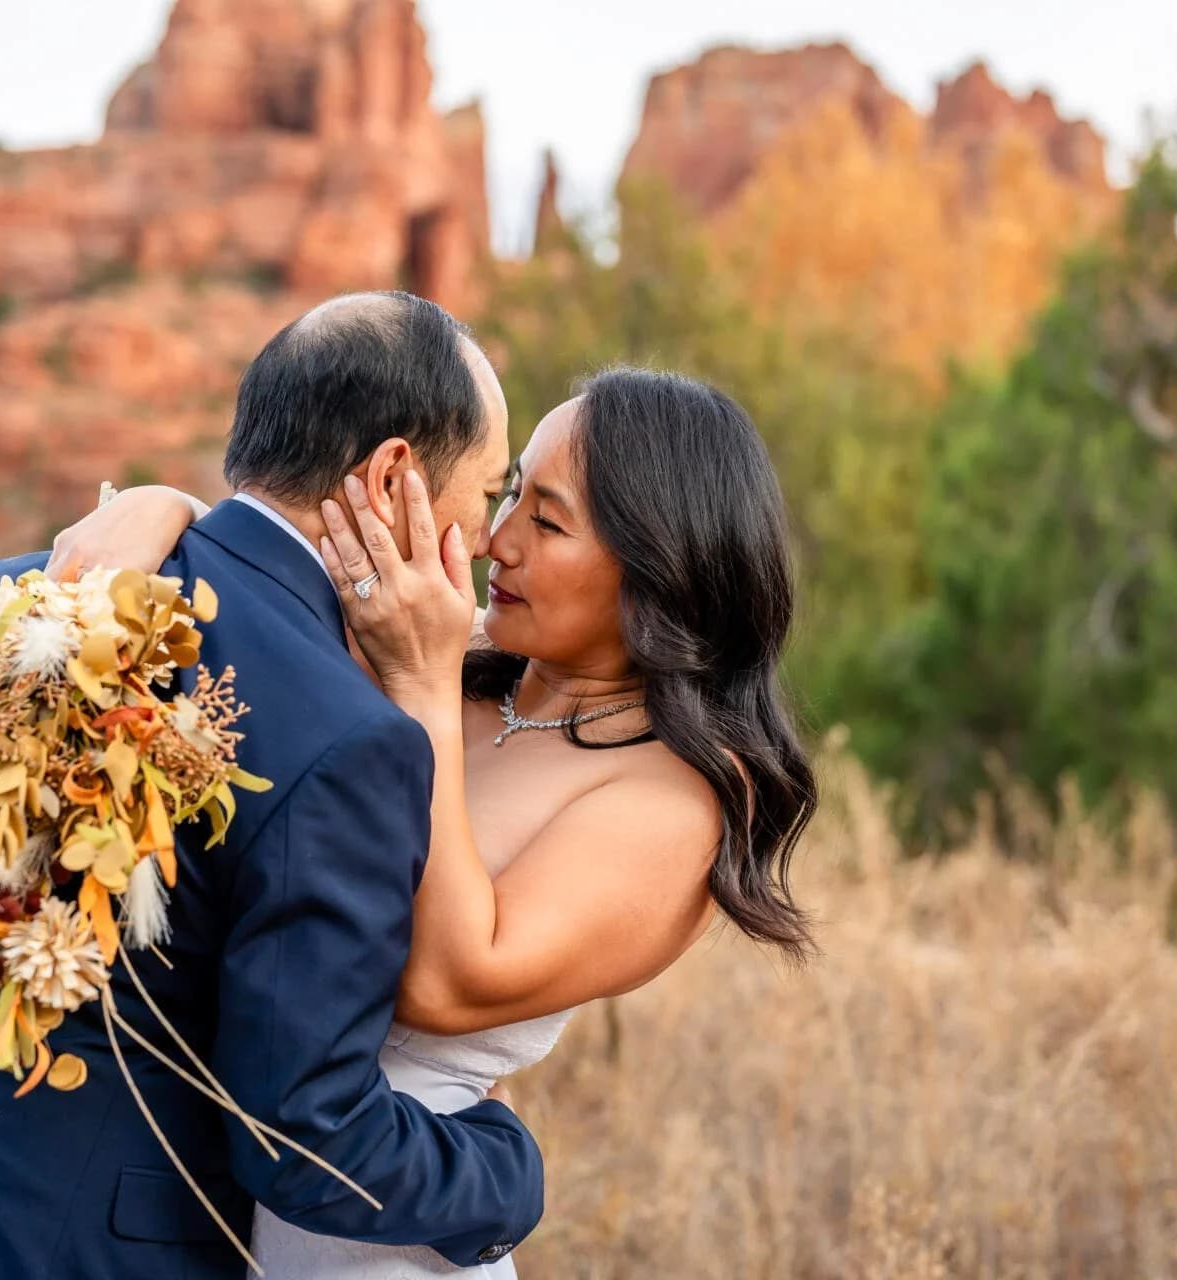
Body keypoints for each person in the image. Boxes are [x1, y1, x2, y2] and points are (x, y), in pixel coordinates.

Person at [0, 291, 542, 1280]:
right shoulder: (351, 740)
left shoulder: (12, 595)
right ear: (390, 479)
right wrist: (504, 1172)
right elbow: (305, 1133)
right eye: (490, 491)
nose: (490, 534)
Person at [52, 364, 817, 1277]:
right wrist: (161, 506)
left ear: (658, 564)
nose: (496, 540)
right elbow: (266, 582)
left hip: (379, 1238)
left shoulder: (676, 798)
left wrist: (418, 683)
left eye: (548, 518)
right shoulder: (455, 656)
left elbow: (445, 981)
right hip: (195, 1200)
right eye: (512, 493)